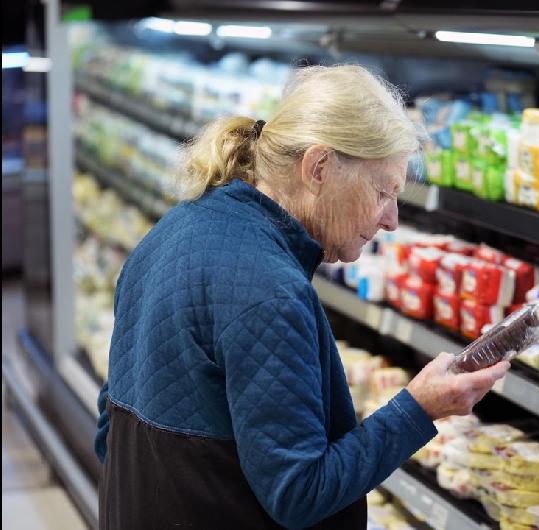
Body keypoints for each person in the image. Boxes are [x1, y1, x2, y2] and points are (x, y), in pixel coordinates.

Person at [94, 64, 510, 530]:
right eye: (383, 191)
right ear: (318, 168)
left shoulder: (173, 230)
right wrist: (418, 407)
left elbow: (111, 422)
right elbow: (299, 492)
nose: (391, 219)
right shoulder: (269, 294)